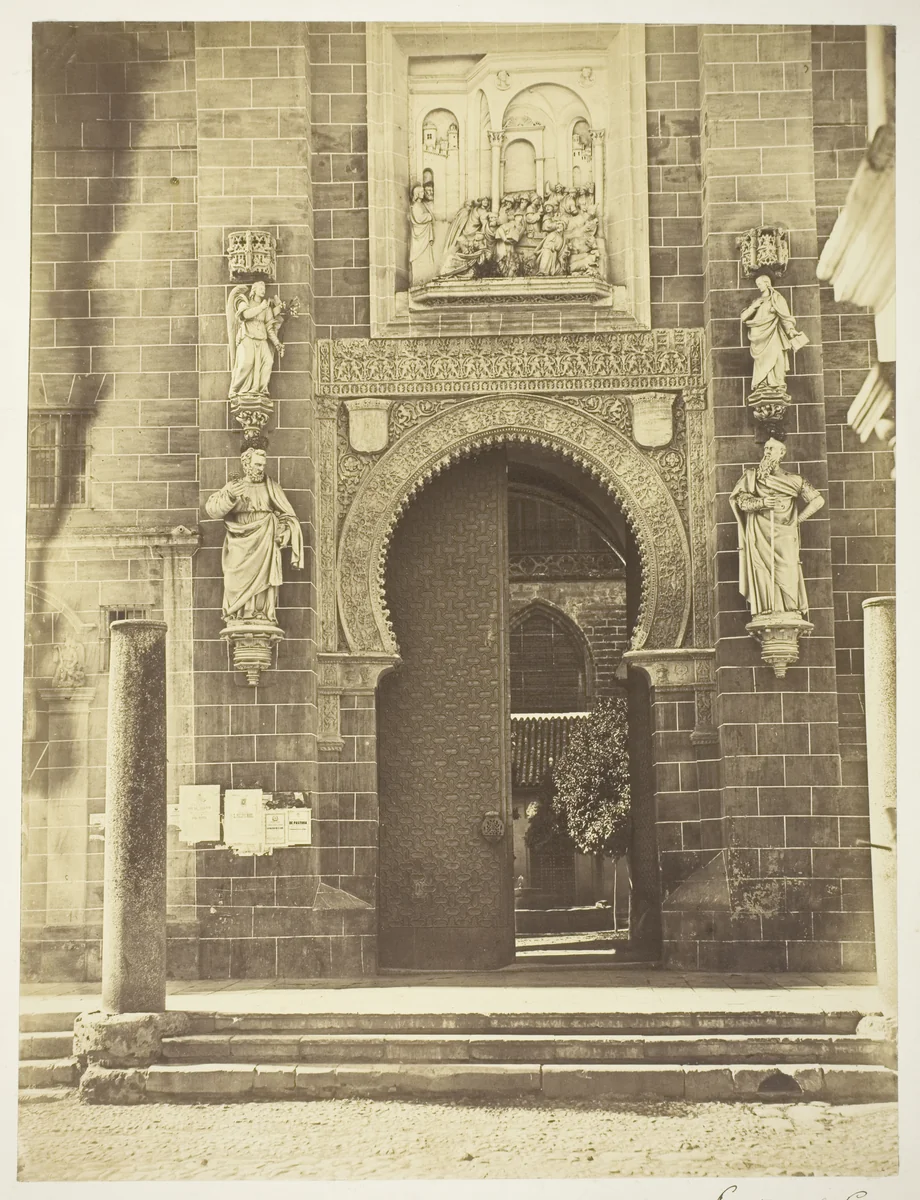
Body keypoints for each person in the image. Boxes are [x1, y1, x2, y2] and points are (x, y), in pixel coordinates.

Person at [205, 445, 304, 624]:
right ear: (246, 464)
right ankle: (237, 613)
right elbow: (213, 510)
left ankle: (260, 612)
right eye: (257, 465)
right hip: (239, 542)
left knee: (262, 584)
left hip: (265, 538)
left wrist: (284, 530)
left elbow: (289, 516)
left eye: (263, 465)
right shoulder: (235, 487)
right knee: (234, 580)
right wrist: (230, 496)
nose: (261, 469)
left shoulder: (272, 487)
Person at [729, 437, 824, 618]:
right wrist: (762, 502)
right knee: (763, 571)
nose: (767, 452)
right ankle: (766, 609)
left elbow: (818, 500)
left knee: (788, 569)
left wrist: (798, 520)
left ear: (782, 453)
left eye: (772, 449)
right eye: (766, 448)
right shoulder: (751, 477)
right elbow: (741, 502)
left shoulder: (795, 480)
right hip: (760, 533)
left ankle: (790, 610)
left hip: (785, 534)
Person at [740, 274, 809, 394]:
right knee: (761, 362)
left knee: (778, 357)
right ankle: (762, 384)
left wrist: (791, 330)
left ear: (767, 283)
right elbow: (743, 317)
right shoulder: (757, 301)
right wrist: (753, 307)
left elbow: (785, 317)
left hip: (774, 333)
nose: (759, 286)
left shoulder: (777, 298)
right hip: (758, 338)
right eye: (757, 285)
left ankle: (777, 384)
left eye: (760, 284)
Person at [226, 281, 285, 400]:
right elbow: (245, 315)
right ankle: (235, 388)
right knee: (246, 364)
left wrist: (277, 343)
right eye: (260, 288)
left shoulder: (267, 308)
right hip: (248, 337)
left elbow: (269, 329)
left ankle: (260, 390)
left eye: (264, 288)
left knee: (268, 361)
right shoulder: (245, 301)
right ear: (254, 290)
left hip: (262, 339)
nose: (263, 290)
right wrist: (261, 307)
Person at [408, 183, 435, 285]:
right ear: (417, 194)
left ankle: (426, 277)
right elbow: (419, 219)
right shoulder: (416, 206)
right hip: (420, 237)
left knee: (426, 257)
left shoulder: (422, 205)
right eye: (422, 192)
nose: (424, 193)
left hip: (425, 235)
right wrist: (428, 216)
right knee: (420, 257)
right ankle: (420, 279)